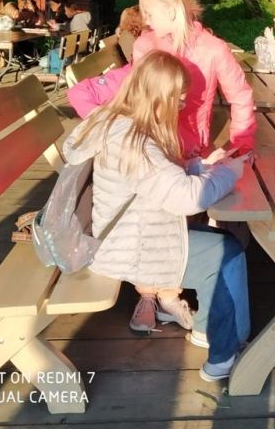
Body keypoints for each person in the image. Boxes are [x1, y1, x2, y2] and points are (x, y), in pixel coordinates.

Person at [63, 50, 251, 382]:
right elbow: (188, 198)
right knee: (226, 253)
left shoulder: (120, 124)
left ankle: (208, 331)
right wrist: (229, 173)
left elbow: (157, 178)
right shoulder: (134, 141)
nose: (182, 106)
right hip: (130, 250)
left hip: (124, 237)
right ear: (159, 97)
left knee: (222, 242)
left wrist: (201, 166)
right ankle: (225, 355)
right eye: (179, 99)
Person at [68, 0, 256, 158]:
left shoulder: (213, 49)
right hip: (154, 149)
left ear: (171, 12)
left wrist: (240, 147)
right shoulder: (147, 45)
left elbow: (240, 98)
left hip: (186, 153)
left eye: (149, 14)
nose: (146, 22)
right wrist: (109, 127)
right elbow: (126, 87)